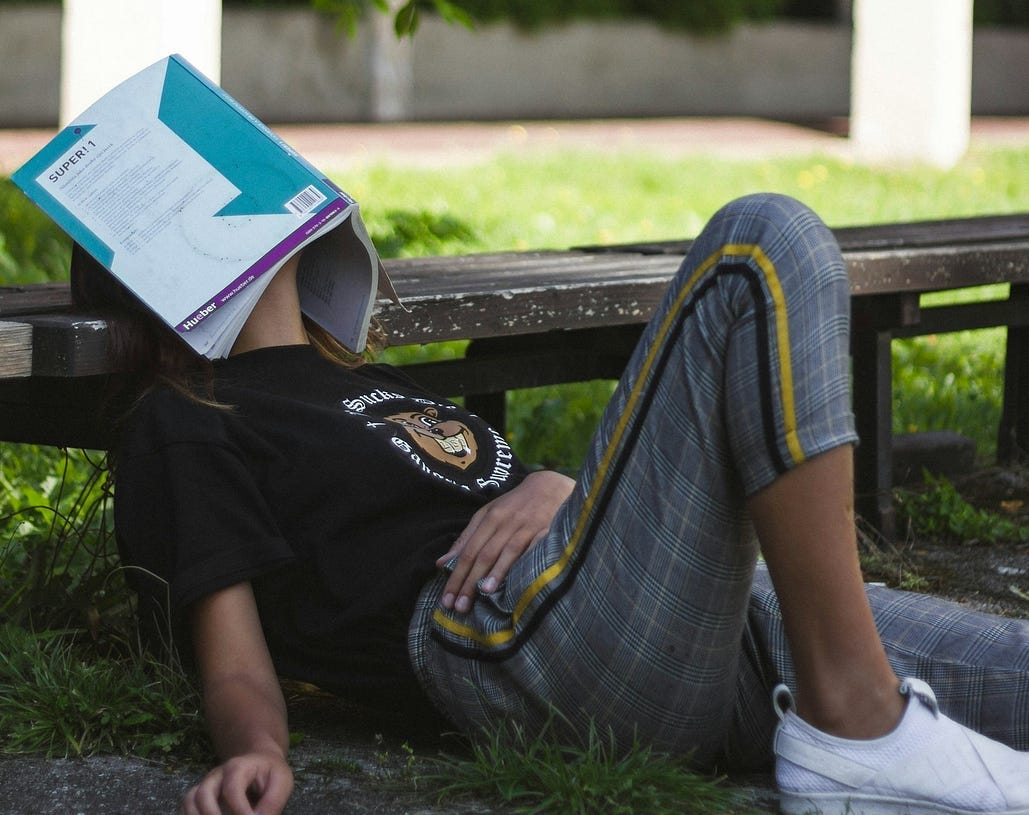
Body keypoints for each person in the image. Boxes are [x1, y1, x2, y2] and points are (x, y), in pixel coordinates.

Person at [72, 193, 1028, 815]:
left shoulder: (366, 381)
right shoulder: (186, 418)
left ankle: (845, 712)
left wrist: (552, 481)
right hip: (517, 649)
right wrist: (257, 753)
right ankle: (855, 724)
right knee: (762, 245)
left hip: (687, 626)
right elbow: (232, 655)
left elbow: (525, 507)